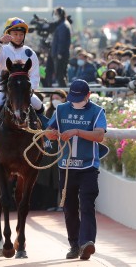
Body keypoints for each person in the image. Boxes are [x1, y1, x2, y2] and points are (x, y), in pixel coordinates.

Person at [45, 79, 107, 261]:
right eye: (72, 97)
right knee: (69, 207)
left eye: (79, 98)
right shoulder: (61, 109)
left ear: (88, 96)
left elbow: (99, 135)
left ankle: (87, 242)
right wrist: (52, 133)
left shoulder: (97, 111)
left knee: (87, 204)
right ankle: (74, 245)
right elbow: (49, 130)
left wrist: (76, 131)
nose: (75, 101)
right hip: (66, 166)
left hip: (88, 166)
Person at [0, 17, 43, 134]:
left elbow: (34, 75)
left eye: (21, 34)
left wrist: (31, 90)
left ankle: (45, 134)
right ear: (8, 34)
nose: (19, 37)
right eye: (15, 34)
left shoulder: (30, 53)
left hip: (25, 92)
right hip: (5, 91)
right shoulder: (2, 50)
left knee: (39, 105)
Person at [51, 7, 72, 87]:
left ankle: (64, 93)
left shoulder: (63, 25)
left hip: (61, 55)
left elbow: (62, 41)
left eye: (56, 14)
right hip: (62, 54)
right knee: (62, 74)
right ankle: (64, 92)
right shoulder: (63, 24)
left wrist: (59, 53)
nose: (54, 16)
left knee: (60, 75)